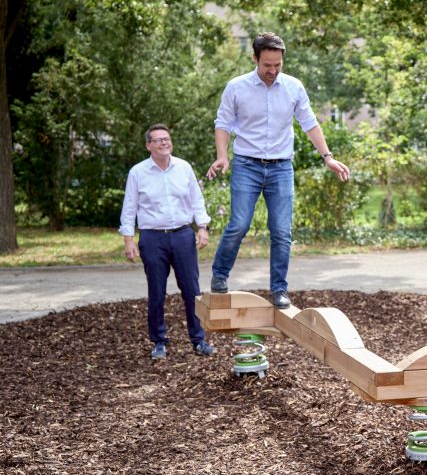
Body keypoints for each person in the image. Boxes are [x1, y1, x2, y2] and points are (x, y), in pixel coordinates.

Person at [206, 32, 350, 309]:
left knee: (282, 232)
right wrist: (222, 156)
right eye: (266, 65)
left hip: (281, 168)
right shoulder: (236, 87)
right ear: (255, 59)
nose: (272, 71)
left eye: (277, 65)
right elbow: (222, 122)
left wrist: (328, 157)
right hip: (247, 164)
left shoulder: (294, 87)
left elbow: (309, 122)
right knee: (238, 225)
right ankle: (220, 274)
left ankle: (279, 289)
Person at [119, 124, 216, 360]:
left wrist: (202, 227)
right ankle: (159, 342)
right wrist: (128, 240)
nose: (164, 143)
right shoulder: (138, 172)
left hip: (183, 235)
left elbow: (197, 200)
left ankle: (198, 340)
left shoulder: (183, 168)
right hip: (152, 238)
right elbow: (129, 207)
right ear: (148, 145)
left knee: (192, 290)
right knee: (156, 292)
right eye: (158, 140)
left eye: (167, 139)